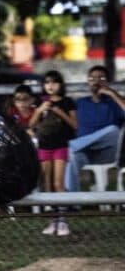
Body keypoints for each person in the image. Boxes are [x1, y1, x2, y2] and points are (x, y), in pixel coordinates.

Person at [29, 70, 77, 236]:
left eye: (54, 82)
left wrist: (59, 112)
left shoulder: (67, 102)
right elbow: (31, 125)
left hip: (60, 146)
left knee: (58, 183)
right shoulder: (39, 102)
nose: (50, 85)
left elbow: (74, 125)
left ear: (60, 85)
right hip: (44, 146)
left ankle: (63, 220)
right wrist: (39, 110)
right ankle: (52, 220)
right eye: (47, 82)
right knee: (47, 184)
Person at [64, 65, 125, 194]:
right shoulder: (80, 103)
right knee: (72, 157)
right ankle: (72, 203)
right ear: (88, 82)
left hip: (108, 153)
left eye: (101, 78)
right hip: (86, 153)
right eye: (92, 78)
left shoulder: (114, 102)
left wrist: (112, 93)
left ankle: (72, 145)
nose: (96, 81)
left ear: (107, 82)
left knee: (113, 129)